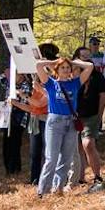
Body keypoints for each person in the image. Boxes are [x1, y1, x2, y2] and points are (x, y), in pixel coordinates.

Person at [37, 43, 84, 196]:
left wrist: (73, 62)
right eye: (62, 67)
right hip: (55, 122)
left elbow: (89, 67)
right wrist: (52, 63)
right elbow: (38, 65)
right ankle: (43, 191)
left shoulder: (75, 83)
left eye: (67, 68)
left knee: (66, 157)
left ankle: (58, 189)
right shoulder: (51, 83)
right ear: (57, 70)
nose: (65, 70)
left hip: (70, 122)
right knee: (51, 157)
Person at [74, 44, 105, 192]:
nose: (87, 59)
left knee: (88, 144)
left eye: (88, 56)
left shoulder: (97, 75)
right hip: (75, 115)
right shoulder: (71, 74)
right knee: (77, 148)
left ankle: (97, 176)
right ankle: (80, 177)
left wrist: (99, 114)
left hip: (91, 115)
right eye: (83, 56)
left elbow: (103, 95)